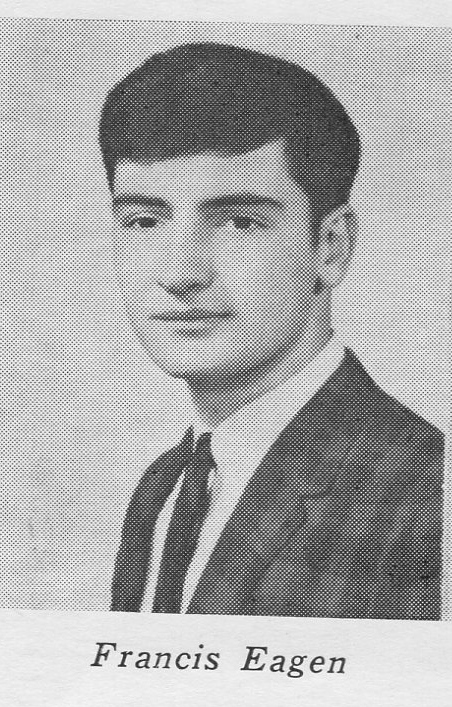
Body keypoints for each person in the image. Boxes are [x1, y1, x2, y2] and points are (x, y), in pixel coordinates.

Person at [98, 42, 443, 620]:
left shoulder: (421, 489)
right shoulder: (164, 487)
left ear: (331, 247)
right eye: (145, 221)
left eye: (240, 222)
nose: (180, 273)